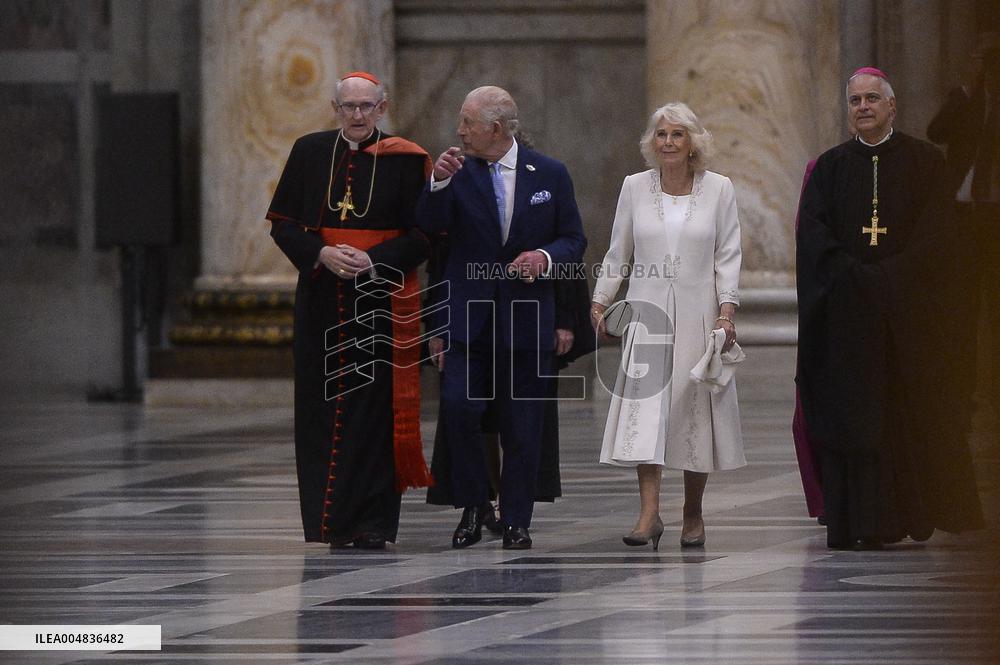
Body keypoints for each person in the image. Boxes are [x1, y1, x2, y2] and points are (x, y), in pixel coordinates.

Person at [796, 67, 984, 550]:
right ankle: (859, 520)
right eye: (855, 100)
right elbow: (814, 237)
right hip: (847, 319)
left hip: (911, 319)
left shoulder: (926, 162)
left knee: (908, 414)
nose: (863, 107)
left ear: (892, 106)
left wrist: (893, 276)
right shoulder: (829, 168)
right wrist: (856, 277)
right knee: (854, 417)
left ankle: (910, 512)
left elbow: (941, 236)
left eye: (872, 99)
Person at [266, 71, 433, 550]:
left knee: (373, 413)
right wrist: (321, 253)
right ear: (334, 108)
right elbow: (282, 225)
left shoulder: (406, 159)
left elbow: (424, 237)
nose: (357, 116)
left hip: (379, 303)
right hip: (321, 302)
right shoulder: (310, 151)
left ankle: (373, 523)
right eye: (347, 107)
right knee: (319, 410)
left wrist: (372, 260)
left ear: (382, 108)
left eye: (366, 107)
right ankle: (328, 522)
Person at [416, 85, 587, 550]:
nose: (459, 130)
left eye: (467, 122)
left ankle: (516, 518)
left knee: (523, 424)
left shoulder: (550, 173)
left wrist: (544, 257)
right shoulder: (456, 172)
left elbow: (573, 240)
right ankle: (474, 505)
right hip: (465, 321)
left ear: (495, 127)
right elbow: (429, 233)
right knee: (459, 410)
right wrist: (436, 183)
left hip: (528, 320)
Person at [591, 102, 746, 550]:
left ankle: (693, 512)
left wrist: (726, 311)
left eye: (678, 135)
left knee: (693, 410)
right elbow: (618, 251)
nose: (669, 143)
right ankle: (648, 514)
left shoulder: (719, 189)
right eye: (661, 135)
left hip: (700, 313)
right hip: (647, 314)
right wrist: (601, 299)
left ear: (693, 142)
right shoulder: (634, 187)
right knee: (647, 413)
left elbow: (727, 256)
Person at [927, 35, 1000, 434]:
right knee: (963, 307)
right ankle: (964, 387)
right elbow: (935, 131)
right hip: (965, 214)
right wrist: (968, 90)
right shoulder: (967, 101)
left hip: (996, 214)